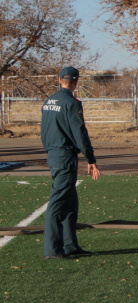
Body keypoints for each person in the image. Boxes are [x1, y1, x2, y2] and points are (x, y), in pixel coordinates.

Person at [40, 66, 101, 259]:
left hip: (53, 153)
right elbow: (80, 132)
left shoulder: (48, 101)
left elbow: (44, 131)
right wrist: (90, 158)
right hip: (65, 155)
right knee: (58, 203)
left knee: (70, 203)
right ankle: (52, 249)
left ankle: (70, 244)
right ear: (76, 82)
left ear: (59, 80)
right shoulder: (72, 103)